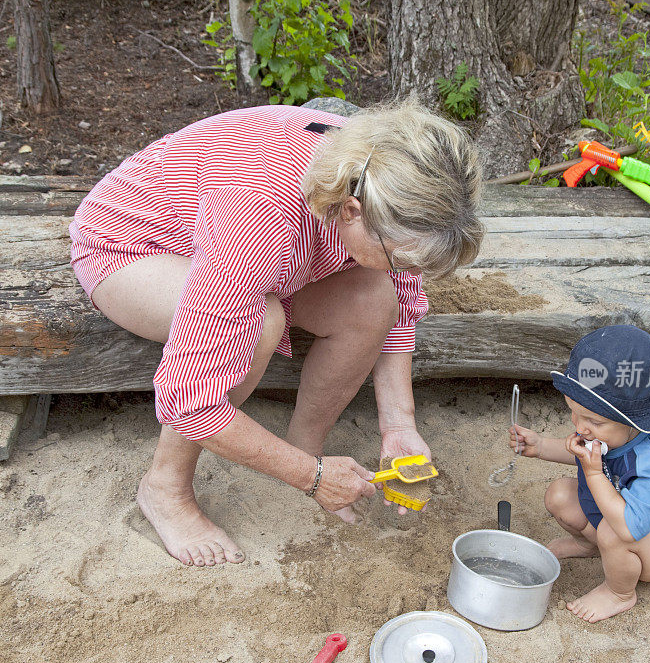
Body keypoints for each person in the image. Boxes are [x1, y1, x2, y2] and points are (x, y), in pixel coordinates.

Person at [69, 98, 484, 568]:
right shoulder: (258, 214)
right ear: (351, 211)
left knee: (377, 297)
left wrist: (399, 424)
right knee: (260, 323)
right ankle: (164, 488)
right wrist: (310, 478)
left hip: (259, 256)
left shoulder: (383, 176)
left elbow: (401, 296)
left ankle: (304, 444)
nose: (410, 269)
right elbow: (190, 399)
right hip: (134, 247)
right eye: (401, 256)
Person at [508, 325, 650, 622]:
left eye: (592, 420)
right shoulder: (608, 432)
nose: (580, 428)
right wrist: (540, 446)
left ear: (632, 421)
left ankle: (619, 593)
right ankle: (589, 545)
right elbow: (580, 452)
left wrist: (594, 474)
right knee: (560, 494)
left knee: (612, 530)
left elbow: (630, 527)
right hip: (613, 524)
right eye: (574, 413)